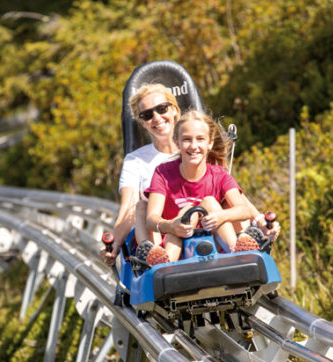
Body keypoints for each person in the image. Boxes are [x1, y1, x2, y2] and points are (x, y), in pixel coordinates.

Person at [143, 110, 265, 263]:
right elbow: (151, 219)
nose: (194, 146)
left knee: (209, 203)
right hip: (178, 239)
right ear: (177, 142)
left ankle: (237, 250)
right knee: (185, 216)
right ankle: (165, 263)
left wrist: (221, 216)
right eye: (187, 139)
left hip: (213, 241)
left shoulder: (219, 174)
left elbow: (244, 210)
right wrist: (171, 226)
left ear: (210, 143)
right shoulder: (163, 173)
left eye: (200, 139)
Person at [99, 83, 180, 266]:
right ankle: (156, 257)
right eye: (148, 115)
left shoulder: (193, 147)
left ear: (174, 109)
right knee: (143, 206)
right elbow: (129, 205)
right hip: (157, 232)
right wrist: (115, 245)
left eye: (161, 109)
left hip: (191, 225)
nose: (157, 118)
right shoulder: (135, 160)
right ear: (143, 123)